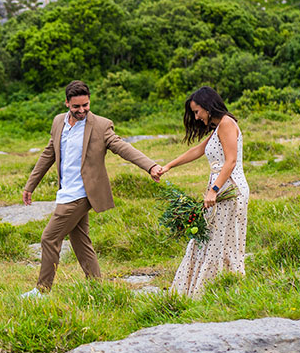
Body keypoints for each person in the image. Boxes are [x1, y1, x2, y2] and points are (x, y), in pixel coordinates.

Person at [21, 80, 162, 297]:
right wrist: (31, 185)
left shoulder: (101, 125)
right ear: (66, 103)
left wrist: (150, 165)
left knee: (49, 238)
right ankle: (98, 288)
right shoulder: (59, 122)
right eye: (76, 106)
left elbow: (122, 147)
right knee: (81, 242)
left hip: (82, 194)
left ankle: (42, 291)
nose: (82, 110)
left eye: (85, 105)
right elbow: (48, 153)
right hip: (65, 191)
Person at [152, 86, 249, 297]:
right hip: (220, 188)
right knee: (210, 238)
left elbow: (231, 161)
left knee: (222, 240)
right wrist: (168, 166)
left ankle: (222, 288)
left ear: (208, 106)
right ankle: (208, 289)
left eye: (197, 111)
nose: (196, 117)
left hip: (230, 188)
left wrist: (213, 190)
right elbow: (197, 150)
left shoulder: (227, 123)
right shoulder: (218, 128)